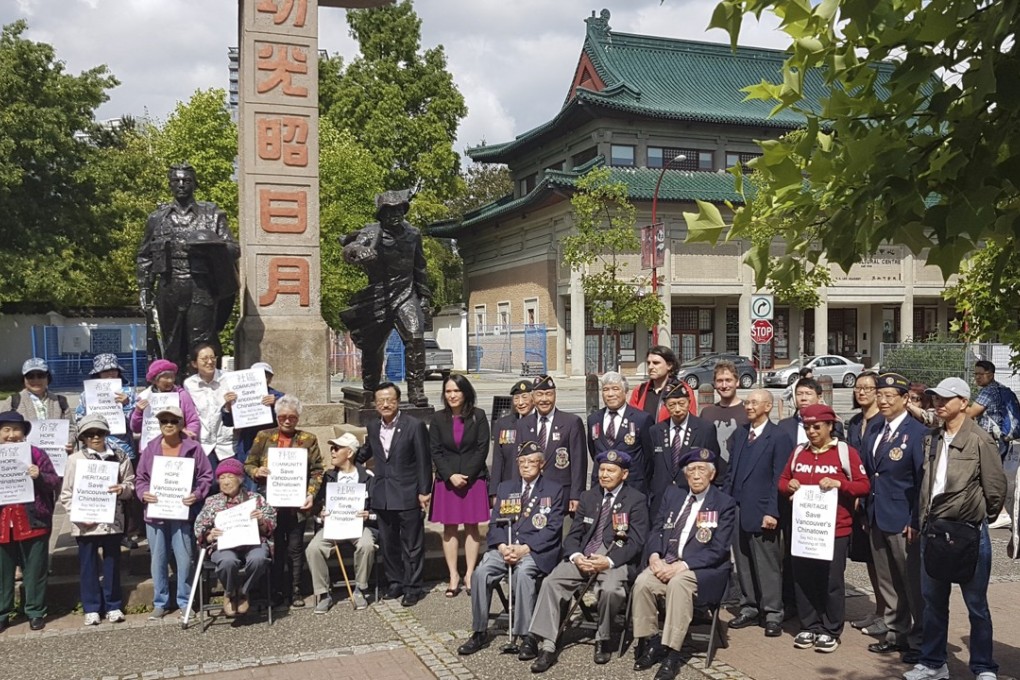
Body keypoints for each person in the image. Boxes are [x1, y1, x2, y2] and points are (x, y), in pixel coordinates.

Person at [904, 378, 1006, 680]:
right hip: (933, 531)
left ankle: (984, 667)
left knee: (976, 604)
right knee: (933, 602)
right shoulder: (931, 438)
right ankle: (933, 663)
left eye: (947, 399)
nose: (939, 403)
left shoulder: (979, 439)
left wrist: (977, 517)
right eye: (936, 398)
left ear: (964, 402)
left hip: (969, 532)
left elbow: (996, 488)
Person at [528, 449, 649, 673]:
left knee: (612, 590)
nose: (604, 475)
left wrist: (609, 561)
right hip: (584, 557)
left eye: (610, 471)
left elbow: (636, 542)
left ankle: (602, 638)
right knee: (551, 582)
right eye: (602, 470)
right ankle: (547, 644)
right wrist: (576, 556)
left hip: (614, 559)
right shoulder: (589, 497)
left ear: (624, 474)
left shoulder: (636, 500)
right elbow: (574, 535)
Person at [632, 448, 737, 680]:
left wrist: (682, 565)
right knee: (642, 582)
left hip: (702, 571)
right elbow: (657, 528)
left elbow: (719, 549)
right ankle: (650, 641)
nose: (696, 475)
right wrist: (654, 557)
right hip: (666, 561)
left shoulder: (723, 503)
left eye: (702, 470)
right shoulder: (673, 494)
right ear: (685, 475)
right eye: (691, 471)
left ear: (712, 474)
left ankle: (672, 653)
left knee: (678, 584)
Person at [457, 441, 565, 660]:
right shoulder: (506, 488)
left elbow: (553, 528)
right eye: (522, 462)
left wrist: (525, 548)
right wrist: (503, 547)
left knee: (524, 574)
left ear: (541, 465)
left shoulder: (554, 490)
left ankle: (526, 635)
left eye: (531, 462)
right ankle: (479, 630)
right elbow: (495, 524)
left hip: (535, 550)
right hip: (505, 548)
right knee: (480, 573)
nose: (526, 466)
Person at [778, 403, 870, 653]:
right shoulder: (799, 452)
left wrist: (840, 483)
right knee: (804, 579)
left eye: (817, 427)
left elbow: (863, 485)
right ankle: (809, 625)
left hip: (834, 530)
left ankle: (831, 629)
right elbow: (783, 480)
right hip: (804, 529)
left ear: (830, 426)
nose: (812, 432)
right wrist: (791, 485)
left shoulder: (844, 452)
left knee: (831, 581)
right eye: (807, 427)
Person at [137, 162, 240, 370]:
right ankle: (174, 390)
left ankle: (204, 389)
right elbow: (144, 256)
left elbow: (234, 249)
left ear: (195, 184)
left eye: (187, 180)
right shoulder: (157, 219)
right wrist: (144, 288)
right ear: (170, 184)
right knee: (171, 344)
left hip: (201, 287)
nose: (182, 184)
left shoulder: (212, 215)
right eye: (177, 180)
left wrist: (211, 245)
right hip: (168, 288)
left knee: (201, 342)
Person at [340, 190, 432, 406]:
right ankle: (370, 389)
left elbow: (420, 267)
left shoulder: (413, 234)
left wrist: (424, 297)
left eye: (399, 209)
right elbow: (349, 248)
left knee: (415, 337)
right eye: (389, 211)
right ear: (381, 215)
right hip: (379, 297)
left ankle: (416, 391)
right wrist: (358, 252)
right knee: (373, 347)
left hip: (406, 294)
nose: (395, 214)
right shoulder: (372, 233)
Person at [861, 373, 926, 665]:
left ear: (905, 399)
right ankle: (894, 633)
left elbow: (922, 481)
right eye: (881, 395)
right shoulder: (875, 429)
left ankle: (920, 639)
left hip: (903, 520)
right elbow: (869, 473)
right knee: (888, 583)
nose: (884, 401)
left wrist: (915, 519)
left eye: (890, 396)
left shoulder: (917, 432)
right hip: (876, 516)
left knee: (911, 583)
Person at [722, 389, 792, 637]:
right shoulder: (741, 433)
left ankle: (773, 612)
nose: (749, 406)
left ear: (768, 407)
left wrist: (773, 511)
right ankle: (749, 606)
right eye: (748, 402)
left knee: (767, 564)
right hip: (739, 507)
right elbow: (732, 471)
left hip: (763, 510)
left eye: (754, 402)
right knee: (743, 561)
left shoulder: (778, 437)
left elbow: (778, 477)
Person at [134, 405, 213, 621]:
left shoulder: (194, 448)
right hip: (156, 513)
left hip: (182, 512)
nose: (168, 425)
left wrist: (196, 494)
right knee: (158, 559)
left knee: (185, 557)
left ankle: (185, 602)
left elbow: (206, 476)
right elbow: (140, 478)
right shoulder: (150, 448)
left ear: (181, 424)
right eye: (164, 421)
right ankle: (160, 602)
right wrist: (144, 494)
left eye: (173, 421)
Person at [356, 382, 432, 607]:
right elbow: (366, 452)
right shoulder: (372, 426)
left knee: (412, 544)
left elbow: (423, 461)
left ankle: (413, 586)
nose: (385, 404)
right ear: (375, 404)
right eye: (381, 401)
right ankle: (396, 582)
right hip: (383, 494)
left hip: (408, 492)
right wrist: (345, 461)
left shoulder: (414, 425)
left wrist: (424, 491)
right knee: (389, 544)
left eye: (390, 400)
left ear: (398, 401)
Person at [244, 394, 324, 607]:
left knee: (295, 548)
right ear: (276, 417)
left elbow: (317, 470)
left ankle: (295, 590)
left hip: (297, 504)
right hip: (271, 503)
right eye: (282, 417)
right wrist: (257, 471)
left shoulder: (308, 439)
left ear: (298, 417)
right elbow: (248, 463)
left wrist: (311, 494)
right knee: (274, 547)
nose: (287, 421)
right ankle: (274, 590)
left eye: (292, 417)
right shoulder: (263, 436)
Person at [60, 413, 136, 626]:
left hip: (112, 521)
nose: (95, 437)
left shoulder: (120, 456)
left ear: (106, 434)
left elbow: (131, 484)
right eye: (90, 434)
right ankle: (91, 607)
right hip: (85, 523)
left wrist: (122, 489)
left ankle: (113, 604)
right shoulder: (75, 459)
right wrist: (78, 515)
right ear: (82, 437)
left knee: (112, 563)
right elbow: (66, 493)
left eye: (100, 433)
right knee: (88, 565)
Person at [429, 375, 490, 597]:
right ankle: (453, 574)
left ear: (465, 392)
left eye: (456, 391)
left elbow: (482, 448)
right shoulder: (437, 418)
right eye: (448, 391)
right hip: (448, 481)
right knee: (450, 528)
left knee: (472, 527)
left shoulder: (478, 416)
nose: (452, 395)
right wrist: (450, 475)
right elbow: (435, 450)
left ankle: (470, 574)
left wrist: (467, 474)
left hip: (473, 479)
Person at [0, 411, 60, 631]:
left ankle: (35, 611)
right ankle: (2, 612)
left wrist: (40, 476)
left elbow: (54, 481)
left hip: (34, 520)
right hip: (3, 524)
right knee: (2, 572)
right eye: (6, 429)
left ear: (24, 433)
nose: (11, 435)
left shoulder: (36, 454)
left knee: (35, 570)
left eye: (16, 430)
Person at [193, 458, 276, 618]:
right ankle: (230, 591)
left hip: (253, 543)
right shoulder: (212, 502)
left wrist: (261, 521)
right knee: (227, 562)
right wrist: (209, 535)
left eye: (230, 477)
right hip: (224, 545)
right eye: (222, 478)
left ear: (240, 479)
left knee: (259, 559)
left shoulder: (255, 499)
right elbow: (199, 527)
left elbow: (272, 523)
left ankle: (244, 591)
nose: (225, 482)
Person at [75, 353, 142, 549]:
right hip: (96, 449)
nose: (110, 374)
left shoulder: (129, 392)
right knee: (100, 489)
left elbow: (137, 424)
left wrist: (127, 405)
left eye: (113, 370)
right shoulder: (85, 395)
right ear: (98, 374)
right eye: (105, 371)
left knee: (124, 493)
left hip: (123, 450)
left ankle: (127, 532)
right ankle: (99, 527)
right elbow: (79, 419)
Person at [306, 433, 377, 613]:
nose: (333, 452)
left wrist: (369, 514)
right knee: (313, 548)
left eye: (337, 448)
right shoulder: (328, 477)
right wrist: (321, 515)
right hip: (333, 526)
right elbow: (316, 507)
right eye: (332, 448)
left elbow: (378, 509)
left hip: (359, 527)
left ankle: (360, 589)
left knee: (367, 545)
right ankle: (323, 593)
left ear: (350, 452)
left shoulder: (368, 477)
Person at [845, 371, 889, 636]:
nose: (861, 392)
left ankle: (890, 613)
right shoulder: (853, 422)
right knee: (870, 560)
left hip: (879, 499)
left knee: (885, 561)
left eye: (867, 388)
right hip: (858, 500)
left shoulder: (884, 422)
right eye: (858, 388)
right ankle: (879, 610)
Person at [514, 375, 586, 515]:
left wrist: (576, 495)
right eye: (539, 395)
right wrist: (516, 493)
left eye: (549, 394)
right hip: (531, 493)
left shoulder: (571, 422)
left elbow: (579, 463)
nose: (544, 399)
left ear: (555, 395)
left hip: (562, 494)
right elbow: (517, 462)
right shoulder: (523, 424)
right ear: (533, 398)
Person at [648, 382, 720, 515]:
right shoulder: (655, 431)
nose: (677, 409)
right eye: (672, 405)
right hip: (661, 499)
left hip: (693, 495)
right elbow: (649, 465)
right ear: (665, 406)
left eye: (681, 403)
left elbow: (714, 463)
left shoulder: (705, 429)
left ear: (689, 402)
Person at [587, 372, 654, 495]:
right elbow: (593, 451)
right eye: (606, 389)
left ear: (625, 392)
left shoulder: (642, 419)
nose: (610, 394)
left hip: (632, 487)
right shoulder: (593, 419)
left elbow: (649, 458)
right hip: (602, 487)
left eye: (615, 389)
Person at [1, 358, 76, 454]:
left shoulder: (60, 401)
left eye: (40, 375)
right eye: (30, 376)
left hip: (55, 458)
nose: (36, 380)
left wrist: (69, 442)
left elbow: (71, 427)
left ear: (48, 378)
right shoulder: (13, 401)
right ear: (24, 379)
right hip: (23, 457)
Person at [183, 343, 234, 479]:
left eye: (213, 357)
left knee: (231, 483)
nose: (210, 362)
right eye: (204, 359)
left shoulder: (230, 379)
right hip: (205, 444)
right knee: (209, 484)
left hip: (229, 444)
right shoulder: (189, 384)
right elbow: (187, 412)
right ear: (194, 363)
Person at [222, 361, 284, 470]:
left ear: (270, 378)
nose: (263, 378)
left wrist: (277, 403)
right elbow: (228, 422)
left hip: (271, 445)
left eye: (266, 375)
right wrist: (228, 406)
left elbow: (288, 416)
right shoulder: (237, 395)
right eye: (258, 375)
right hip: (247, 445)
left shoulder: (278, 396)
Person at [129, 359, 201, 441]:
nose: (170, 381)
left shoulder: (182, 396)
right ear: (155, 380)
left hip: (177, 447)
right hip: (151, 448)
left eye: (172, 377)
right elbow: (136, 428)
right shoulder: (144, 397)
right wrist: (138, 412)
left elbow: (193, 421)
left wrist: (188, 434)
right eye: (166, 378)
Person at [489, 379, 535, 499]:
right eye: (516, 398)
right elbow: (498, 461)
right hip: (510, 486)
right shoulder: (504, 424)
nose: (520, 403)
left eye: (525, 397)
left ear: (533, 398)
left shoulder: (541, 422)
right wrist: (494, 492)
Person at [699, 360, 750, 463]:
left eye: (728, 380)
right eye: (719, 381)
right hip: (714, 476)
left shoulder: (749, 410)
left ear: (737, 382)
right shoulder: (707, 413)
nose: (724, 385)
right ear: (714, 383)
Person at [629, 345, 696, 422]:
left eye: (656, 363)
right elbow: (632, 419)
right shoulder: (639, 390)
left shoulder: (682, 390)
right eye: (648, 363)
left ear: (669, 365)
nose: (650, 367)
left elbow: (691, 421)